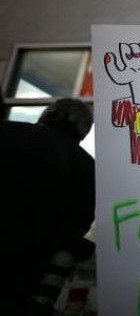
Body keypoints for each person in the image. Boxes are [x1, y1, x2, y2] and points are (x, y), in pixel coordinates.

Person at [1, 98, 96, 315]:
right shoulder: (86, 166)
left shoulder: (6, 131)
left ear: (47, 113)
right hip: (24, 276)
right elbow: (78, 226)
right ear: (83, 130)